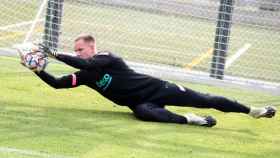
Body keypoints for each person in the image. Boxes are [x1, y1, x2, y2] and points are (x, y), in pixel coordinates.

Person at [21, 34, 277, 127]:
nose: (77, 53)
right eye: (74, 50)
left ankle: (253, 110)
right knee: (144, 113)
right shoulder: (85, 77)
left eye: (80, 49)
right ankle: (191, 120)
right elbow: (56, 83)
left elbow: (87, 63)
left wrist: (53, 53)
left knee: (205, 99)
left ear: (92, 47)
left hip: (158, 88)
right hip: (140, 103)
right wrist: (36, 69)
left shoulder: (106, 57)